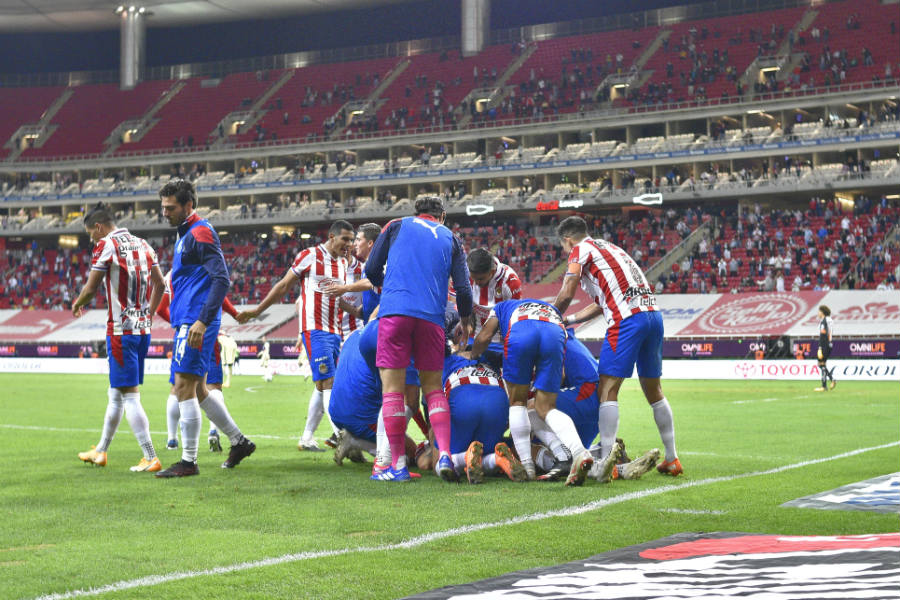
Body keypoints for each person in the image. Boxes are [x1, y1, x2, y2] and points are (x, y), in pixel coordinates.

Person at [552, 215, 681, 477]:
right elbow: (604, 300)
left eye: (564, 246)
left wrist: (549, 317)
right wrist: (571, 319)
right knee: (654, 390)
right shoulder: (612, 249)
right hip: (653, 316)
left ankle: (605, 464)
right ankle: (672, 458)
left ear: (567, 240)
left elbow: (567, 292)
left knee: (607, 389)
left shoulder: (579, 251)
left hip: (627, 321)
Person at [363, 196, 473, 482]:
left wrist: (385, 285)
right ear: (443, 215)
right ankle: (445, 454)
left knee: (393, 392)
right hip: (432, 319)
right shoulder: (452, 239)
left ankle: (396, 466)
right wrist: (464, 318)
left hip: (395, 313)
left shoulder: (397, 225)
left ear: (417, 213)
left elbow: (372, 268)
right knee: (434, 388)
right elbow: (463, 288)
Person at [157, 179, 255, 477]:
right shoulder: (185, 233)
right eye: (163, 207)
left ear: (188, 205)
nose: (165, 213)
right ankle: (239, 441)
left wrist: (201, 320)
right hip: (189, 318)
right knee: (198, 389)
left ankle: (188, 462)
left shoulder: (199, 231)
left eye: (170, 208)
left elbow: (221, 279)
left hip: (195, 320)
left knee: (183, 386)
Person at [236, 220, 359, 451]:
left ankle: (307, 437)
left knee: (323, 386)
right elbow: (283, 286)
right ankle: (344, 440)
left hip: (335, 331)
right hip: (315, 328)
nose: (349, 244)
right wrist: (257, 311)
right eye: (345, 239)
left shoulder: (343, 263)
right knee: (328, 382)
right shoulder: (310, 255)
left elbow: (337, 297)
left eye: (352, 240)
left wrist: (356, 311)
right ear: (331, 237)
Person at [73, 202, 165, 473]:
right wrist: (149, 314)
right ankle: (100, 451)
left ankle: (150, 456)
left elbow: (91, 289)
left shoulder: (106, 245)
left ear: (98, 227)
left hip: (120, 332)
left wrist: (79, 303)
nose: (93, 240)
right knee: (115, 394)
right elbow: (161, 284)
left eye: (91, 234)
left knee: (130, 397)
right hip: (141, 330)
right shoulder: (144, 244)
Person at [465, 298, 594, 486]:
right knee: (545, 408)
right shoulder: (549, 308)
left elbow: (484, 337)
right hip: (554, 331)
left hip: (521, 331)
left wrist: (472, 355)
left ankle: (527, 466)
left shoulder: (501, 308)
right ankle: (578, 452)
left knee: (518, 403)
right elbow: (562, 375)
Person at [460, 247, 522, 339]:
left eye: (481, 279)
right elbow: (458, 303)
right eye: (474, 278)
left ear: (492, 272)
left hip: (500, 342)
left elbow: (515, 316)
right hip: (473, 337)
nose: (476, 282)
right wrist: (466, 325)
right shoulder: (464, 274)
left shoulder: (510, 281)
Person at [815, 305, 836, 391]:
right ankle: (832, 380)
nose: (818, 313)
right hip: (830, 343)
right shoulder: (830, 320)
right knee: (822, 364)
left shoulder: (824, 321)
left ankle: (824, 386)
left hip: (824, 344)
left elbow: (823, 334)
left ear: (822, 312)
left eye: (819, 311)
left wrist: (820, 347)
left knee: (821, 363)